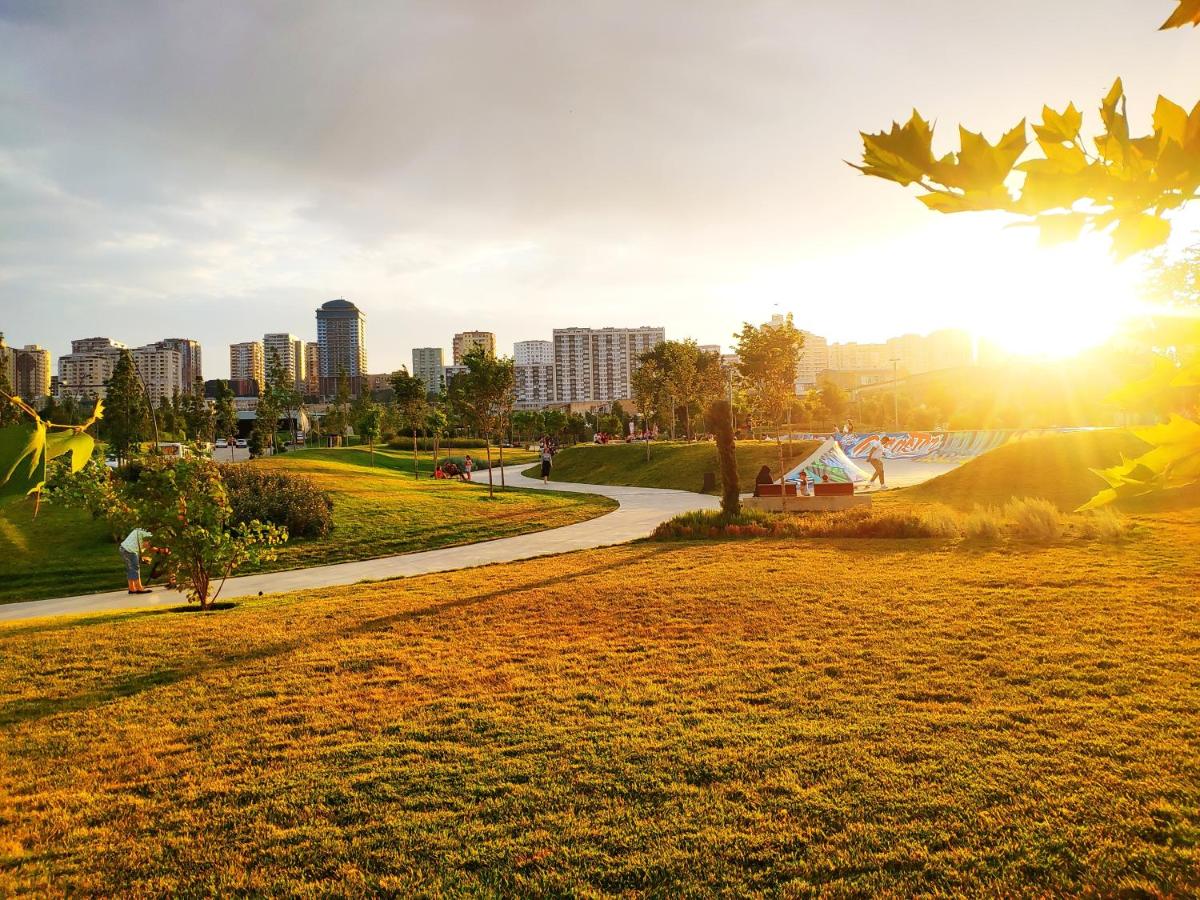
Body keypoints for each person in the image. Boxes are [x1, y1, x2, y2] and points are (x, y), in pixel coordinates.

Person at [119, 527, 154, 595]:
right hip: (130, 550)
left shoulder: (140, 529)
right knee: (135, 568)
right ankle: (139, 588)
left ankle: (131, 588)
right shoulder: (148, 533)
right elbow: (146, 545)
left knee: (130, 569)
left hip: (123, 548)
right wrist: (158, 549)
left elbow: (139, 544)